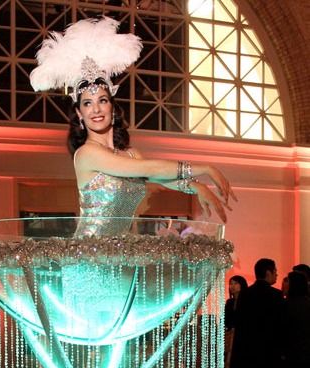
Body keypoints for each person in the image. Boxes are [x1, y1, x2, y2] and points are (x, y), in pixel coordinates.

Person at [30, 17, 236, 234]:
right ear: (80, 114)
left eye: (102, 100)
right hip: (89, 261)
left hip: (118, 257)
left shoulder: (130, 155)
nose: (96, 110)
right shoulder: (87, 154)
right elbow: (149, 168)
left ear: (112, 107)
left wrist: (196, 186)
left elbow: (159, 176)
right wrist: (205, 168)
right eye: (87, 104)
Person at [225, 275, 248, 368]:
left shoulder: (247, 302)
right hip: (232, 340)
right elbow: (226, 320)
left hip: (243, 340)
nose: (232, 286)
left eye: (235, 283)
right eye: (230, 283)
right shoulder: (229, 302)